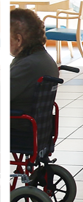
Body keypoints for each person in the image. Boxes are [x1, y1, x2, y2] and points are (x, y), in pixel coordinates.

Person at [10, 8, 59, 151]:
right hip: (35, 125)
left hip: (18, 126)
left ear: (18, 40)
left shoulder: (28, 65)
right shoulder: (42, 59)